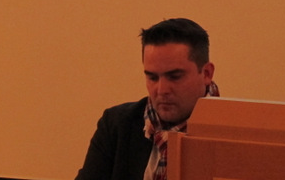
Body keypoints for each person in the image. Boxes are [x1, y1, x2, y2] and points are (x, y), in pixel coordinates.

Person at [76, 18, 218, 180]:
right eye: (152, 78)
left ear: (207, 73)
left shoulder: (232, 130)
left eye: (175, 77)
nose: (162, 90)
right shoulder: (117, 125)